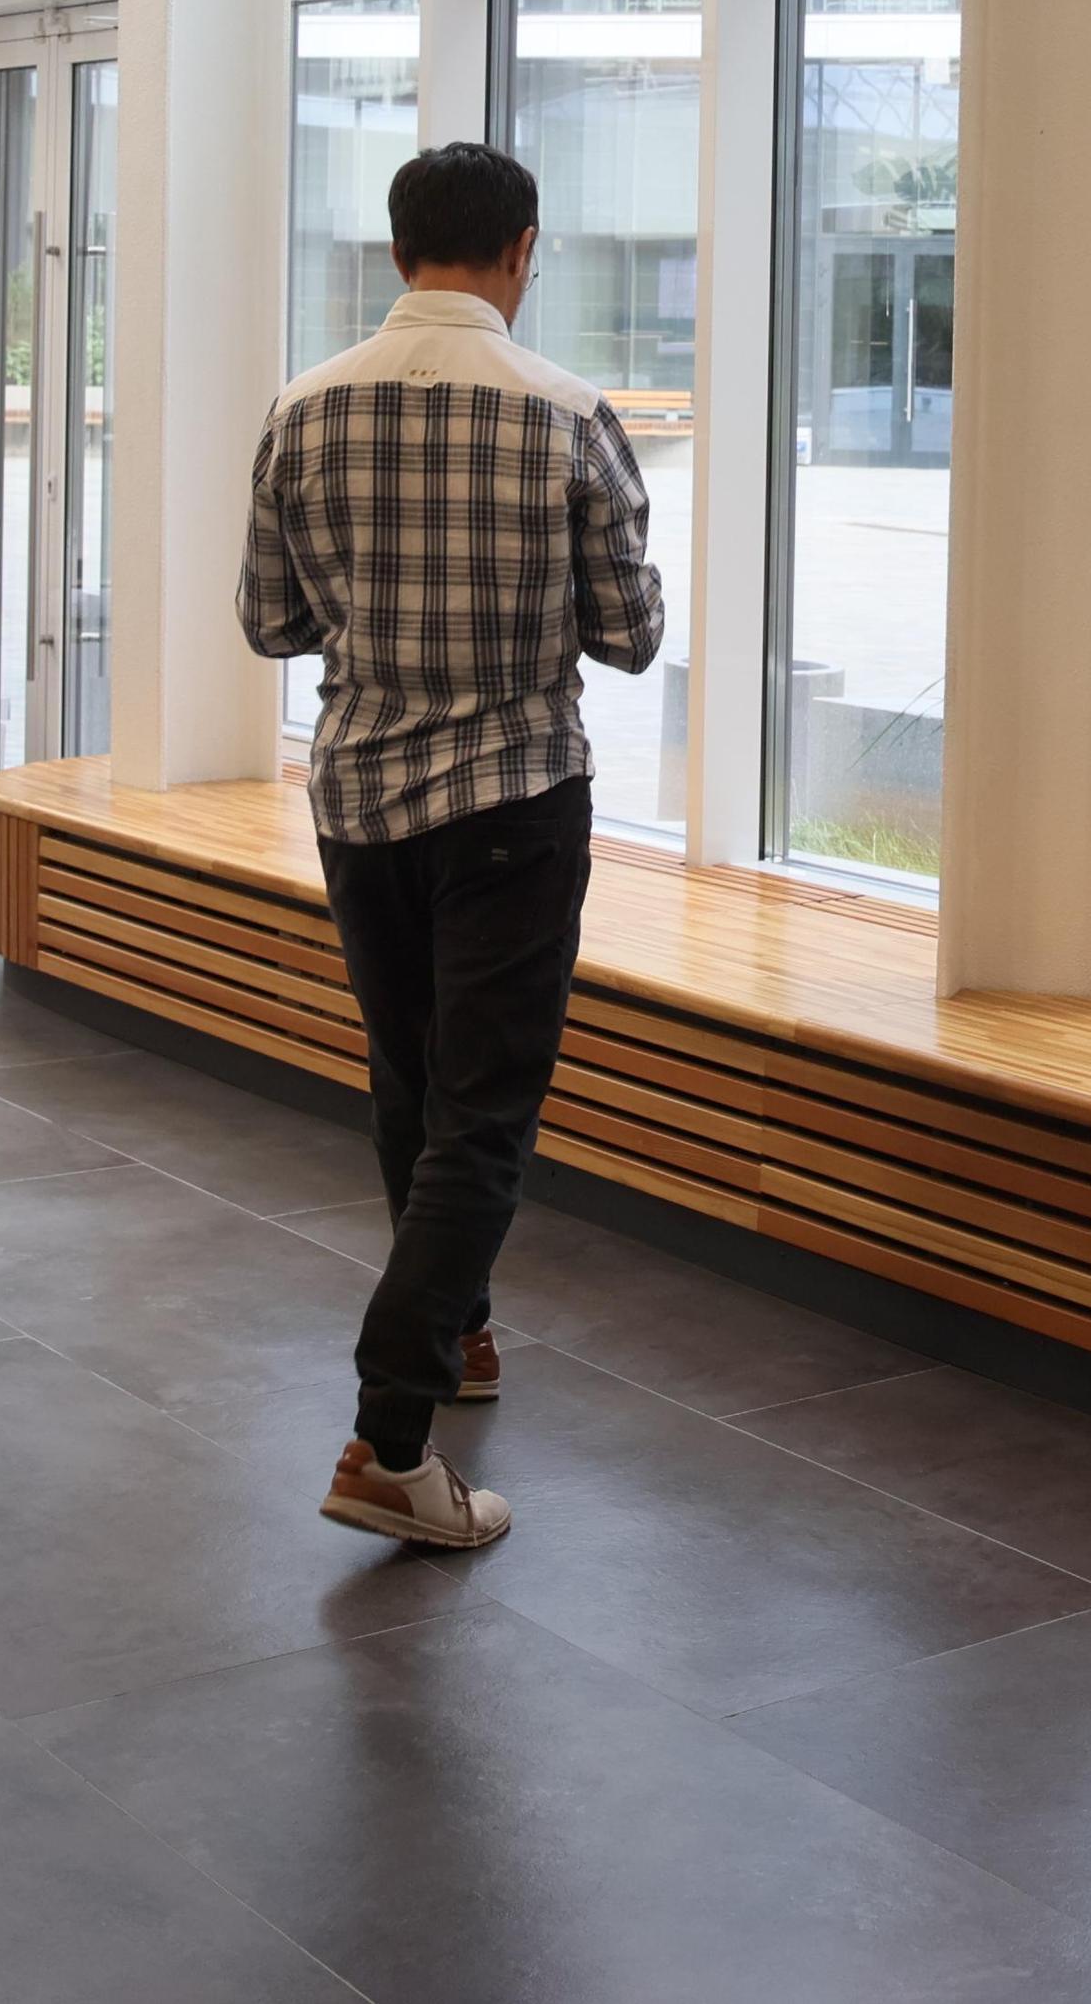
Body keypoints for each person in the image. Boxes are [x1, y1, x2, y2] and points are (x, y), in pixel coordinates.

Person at [240, 140, 662, 1551]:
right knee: (483, 1115)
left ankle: (461, 1332)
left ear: (395, 248)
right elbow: (631, 635)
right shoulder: (568, 414)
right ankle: (390, 1439)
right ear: (522, 250)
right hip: (512, 804)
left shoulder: (303, 408)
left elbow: (270, 621)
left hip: (359, 801)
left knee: (412, 1082)